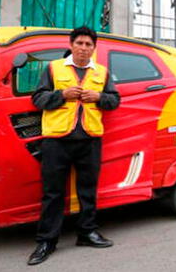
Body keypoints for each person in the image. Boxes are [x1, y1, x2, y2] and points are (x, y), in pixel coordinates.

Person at [27, 26, 121, 266]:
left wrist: (99, 98)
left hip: (89, 139)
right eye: (79, 43)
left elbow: (114, 101)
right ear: (71, 45)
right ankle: (47, 240)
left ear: (93, 48)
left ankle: (87, 233)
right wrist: (62, 94)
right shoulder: (53, 69)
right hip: (57, 140)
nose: (83, 48)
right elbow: (38, 99)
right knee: (53, 193)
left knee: (88, 190)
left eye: (88, 44)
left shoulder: (102, 72)